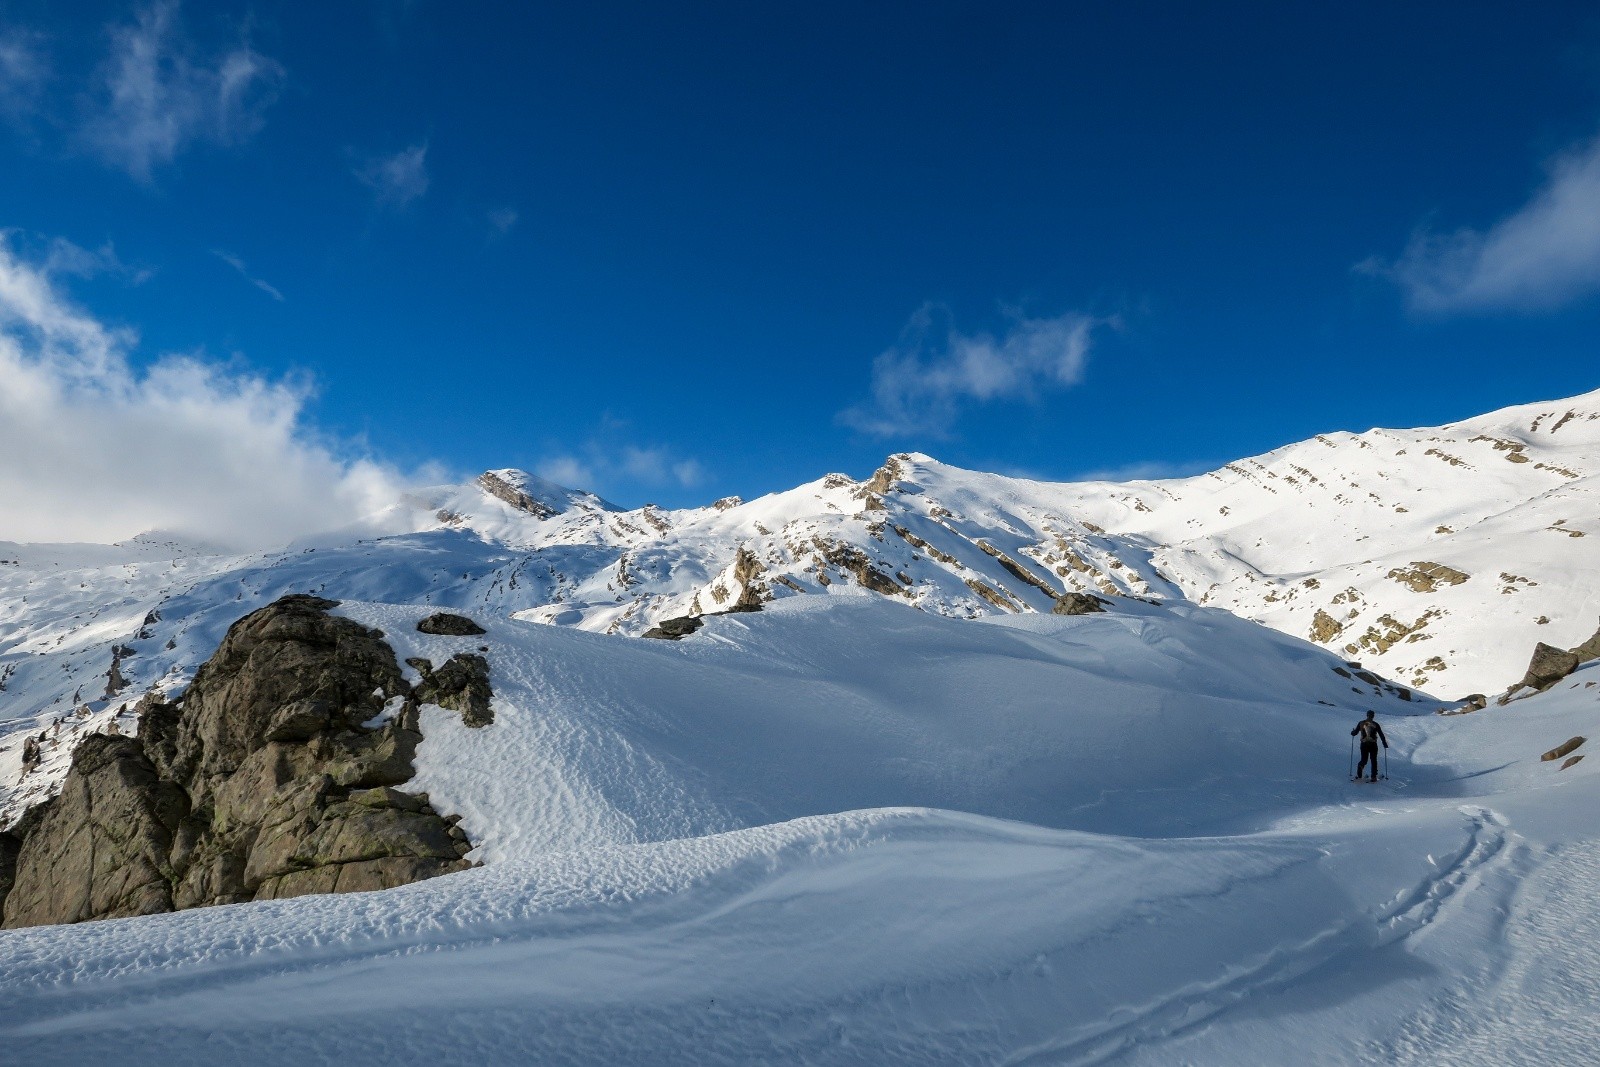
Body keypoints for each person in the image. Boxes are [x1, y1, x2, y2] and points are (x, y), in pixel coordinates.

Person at [1351, 710, 1388, 782]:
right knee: (1373, 760)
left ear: (1367, 715)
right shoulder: (1376, 724)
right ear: (1373, 716)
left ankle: (1359, 774)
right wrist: (1384, 743)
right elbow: (1381, 734)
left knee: (1364, 760)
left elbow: (1355, 733)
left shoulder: (1361, 723)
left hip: (1364, 744)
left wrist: (1352, 732)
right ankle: (1373, 777)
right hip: (1373, 744)